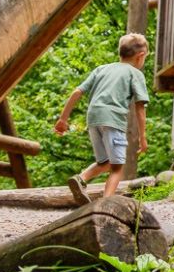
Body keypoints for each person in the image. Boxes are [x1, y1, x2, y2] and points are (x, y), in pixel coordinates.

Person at [54, 33, 150, 199]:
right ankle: (106, 202)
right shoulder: (135, 74)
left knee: (105, 163)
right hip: (113, 119)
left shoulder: (101, 69)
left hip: (93, 118)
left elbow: (77, 92)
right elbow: (140, 107)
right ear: (140, 56)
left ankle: (80, 179)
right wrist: (142, 137)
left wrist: (63, 119)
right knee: (117, 168)